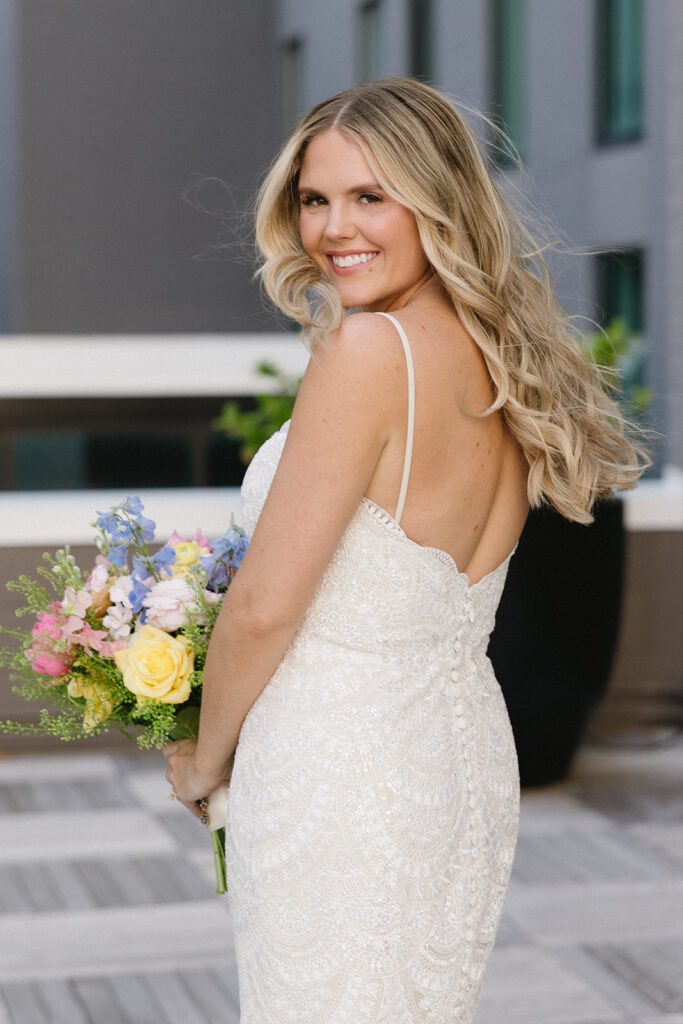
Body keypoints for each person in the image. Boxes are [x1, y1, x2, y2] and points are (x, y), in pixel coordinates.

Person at [164, 78, 646, 1023]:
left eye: (369, 196)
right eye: (314, 198)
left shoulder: (366, 352)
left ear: (437, 202)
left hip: (338, 774)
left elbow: (265, 606)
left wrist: (203, 758)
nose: (333, 228)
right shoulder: (496, 353)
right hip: (454, 757)